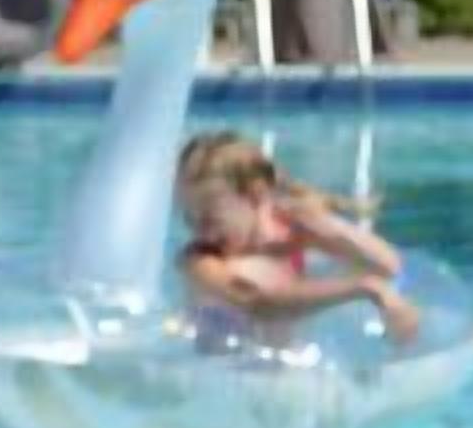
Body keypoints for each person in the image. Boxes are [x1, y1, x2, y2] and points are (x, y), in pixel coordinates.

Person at [174, 131, 420, 343]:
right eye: (189, 219)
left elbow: (389, 266)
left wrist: (326, 228)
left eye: (210, 219)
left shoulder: (294, 234)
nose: (199, 232)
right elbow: (256, 303)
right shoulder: (200, 261)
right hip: (221, 377)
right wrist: (364, 288)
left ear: (255, 196)